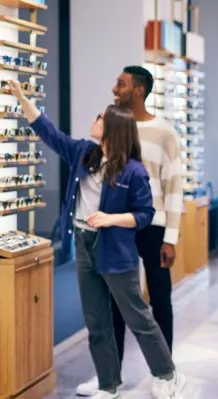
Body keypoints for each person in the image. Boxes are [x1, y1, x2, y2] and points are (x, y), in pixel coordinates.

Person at [7, 80, 186, 399]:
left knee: (137, 316)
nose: (94, 118)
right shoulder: (83, 153)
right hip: (84, 245)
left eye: (100, 117)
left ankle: (167, 373)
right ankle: (108, 383)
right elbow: (48, 131)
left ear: (114, 129)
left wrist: (111, 219)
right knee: (96, 319)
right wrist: (21, 97)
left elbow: (145, 214)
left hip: (115, 249)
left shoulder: (133, 171)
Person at [78, 66, 184, 396]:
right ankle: (111, 376)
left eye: (121, 84)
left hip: (151, 226)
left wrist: (171, 237)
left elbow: (174, 185)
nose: (114, 89)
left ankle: (164, 375)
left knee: (159, 299)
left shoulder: (164, 132)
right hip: (114, 226)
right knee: (114, 302)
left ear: (138, 90)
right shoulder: (114, 127)